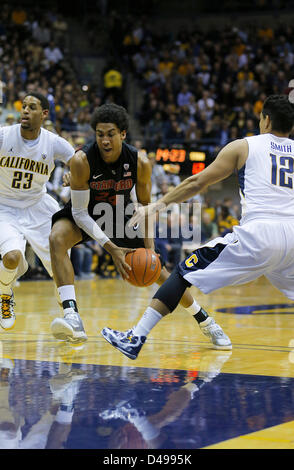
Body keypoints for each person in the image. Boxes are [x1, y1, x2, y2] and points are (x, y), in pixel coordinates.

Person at [101, 94, 294, 360]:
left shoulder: (244, 146)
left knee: (181, 274)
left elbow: (196, 183)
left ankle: (136, 337)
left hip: (261, 234)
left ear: (266, 119)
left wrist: (156, 206)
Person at [49, 103, 231, 347]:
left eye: (111, 134)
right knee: (57, 238)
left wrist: (151, 250)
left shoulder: (139, 162)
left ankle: (206, 321)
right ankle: (72, 317)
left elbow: (145, 208)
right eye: (100, 134)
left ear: (123, 134)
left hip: (120, 216)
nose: (105, 140)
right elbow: (80, 213)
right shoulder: (82, 160)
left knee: (159, 271)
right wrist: (111, 247)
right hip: (87, 214)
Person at [0, 92, 75, 330]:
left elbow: (80, 163)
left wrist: (75, 174)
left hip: (38, 205)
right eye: (23, 106)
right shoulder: (4, 136)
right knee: (12, 257)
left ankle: (68, 310)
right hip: (5, 205)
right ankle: (4, 293)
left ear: (44, 114)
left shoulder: (53, 142)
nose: (25, 111)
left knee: (61, 260)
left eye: (32, 107)